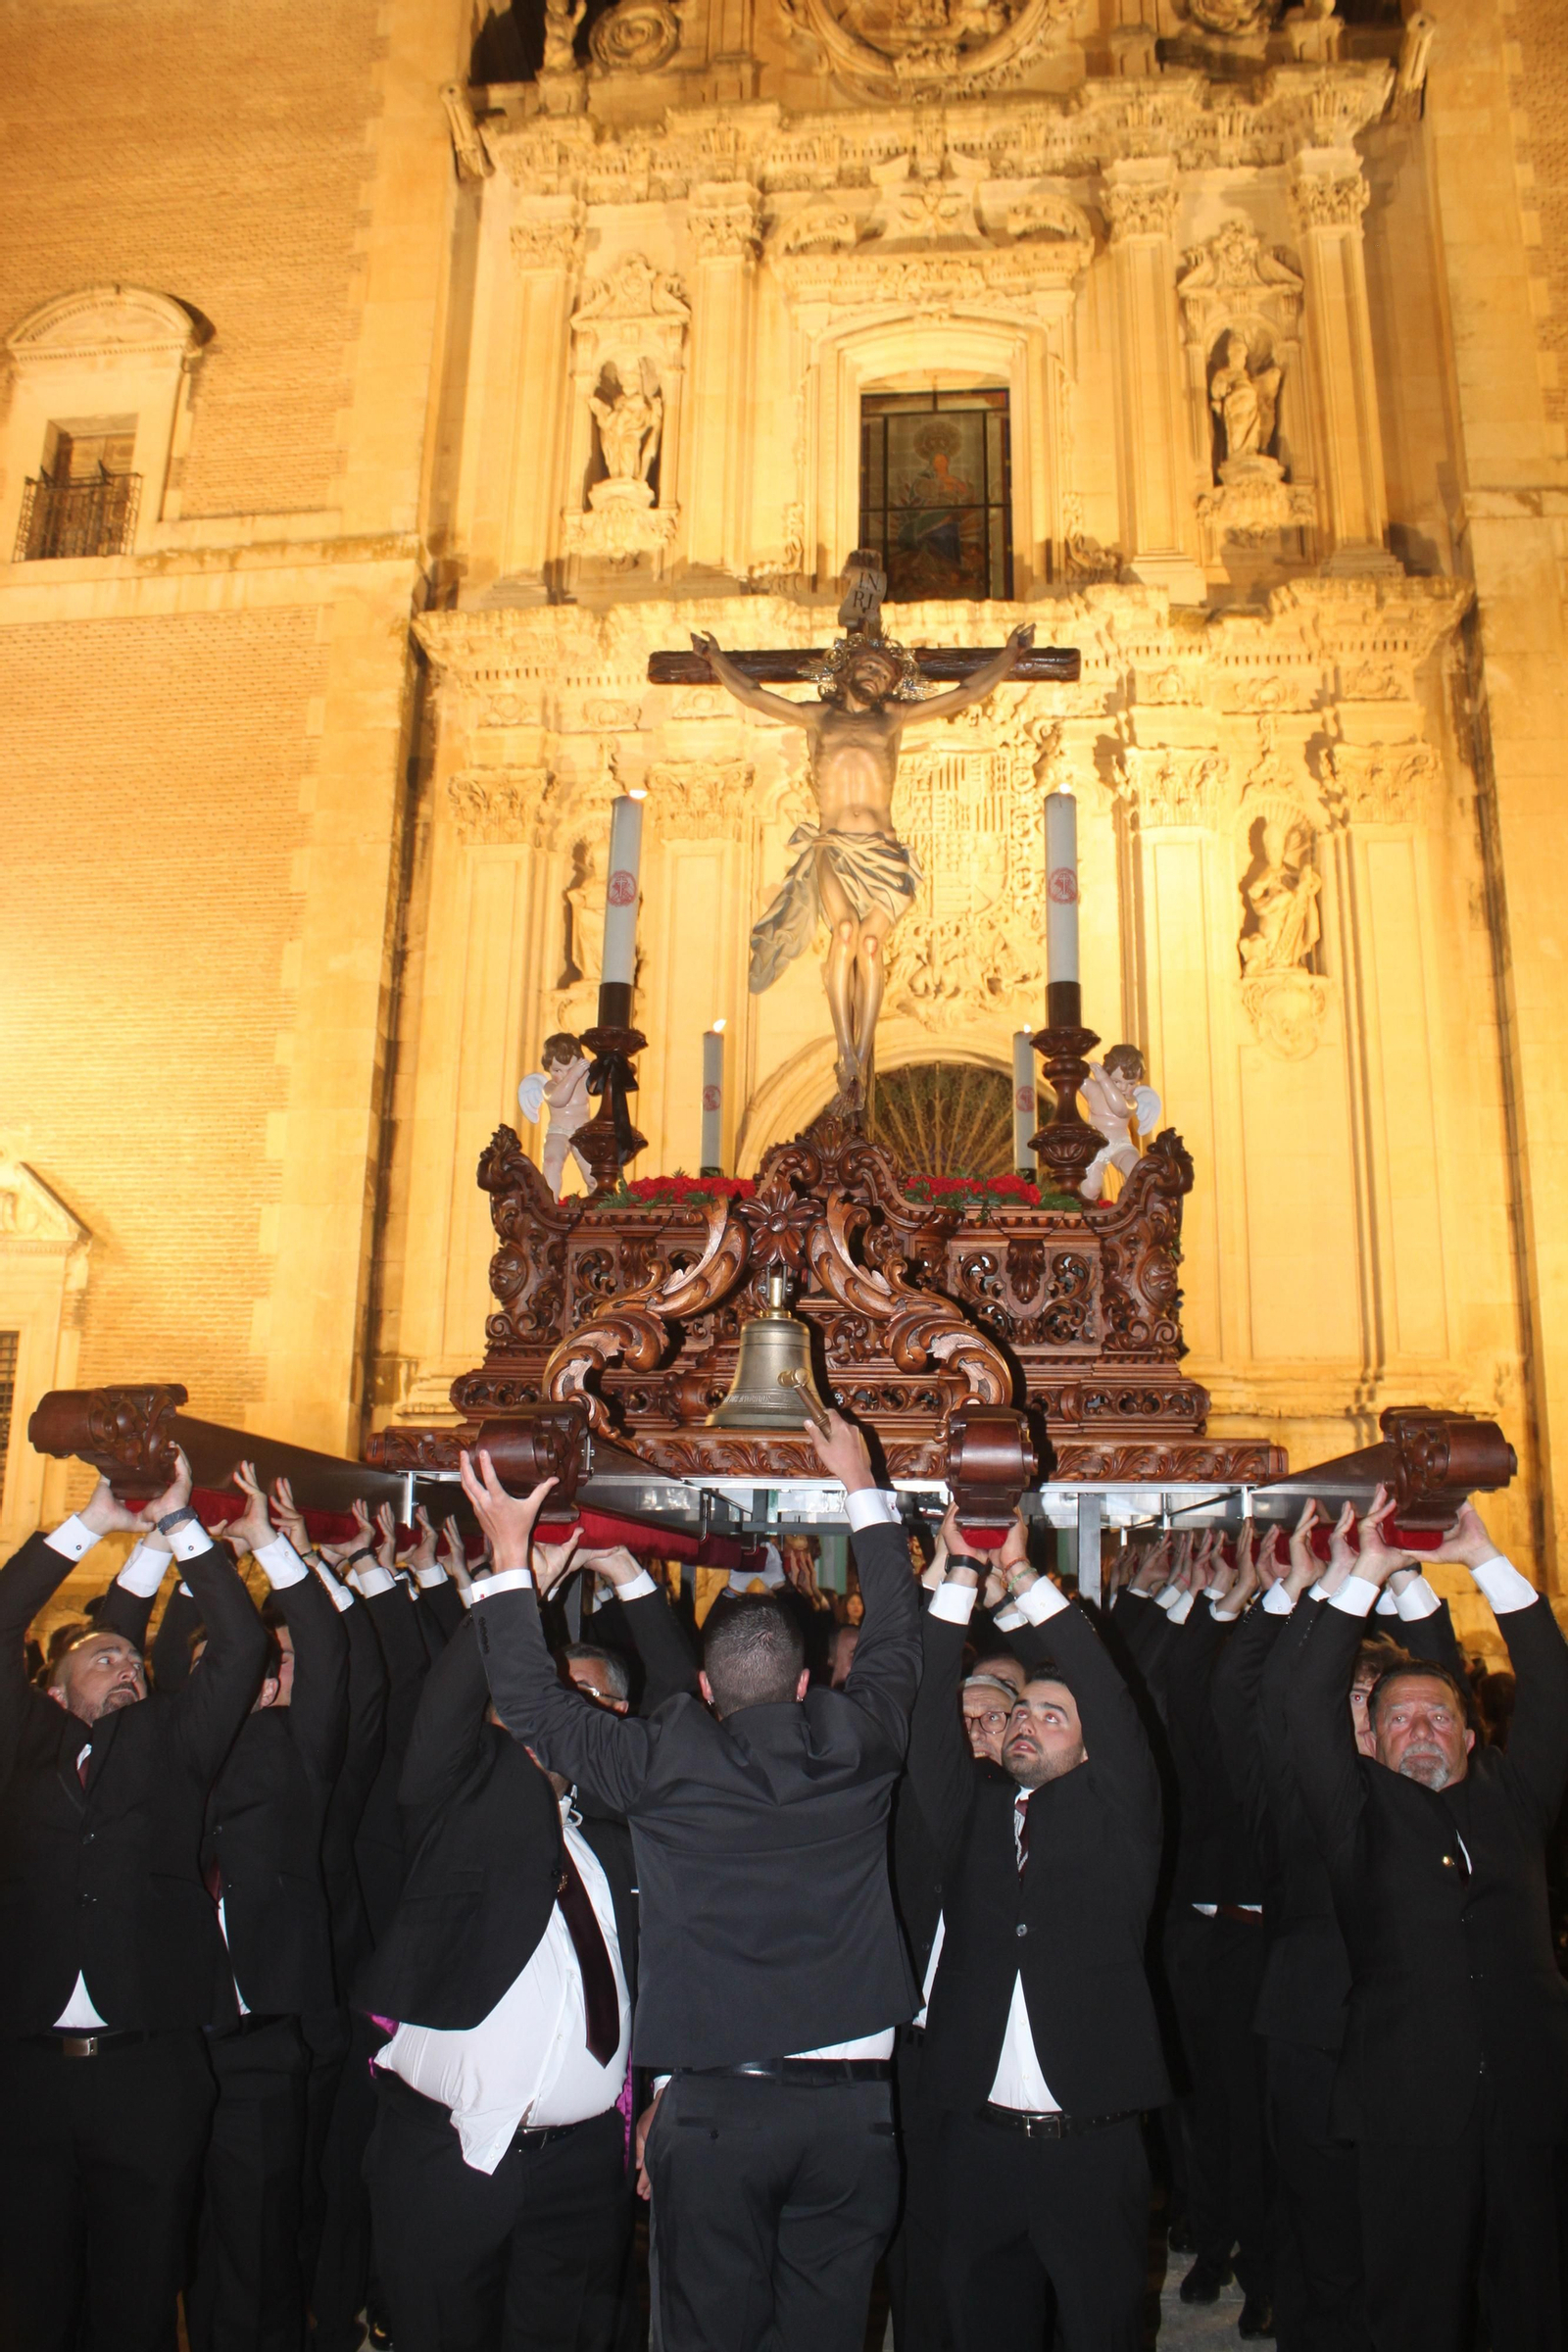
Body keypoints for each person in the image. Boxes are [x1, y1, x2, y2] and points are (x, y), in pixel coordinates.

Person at [458, 1410, 920, 2352]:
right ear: (805, 1688)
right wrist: (861, 1486)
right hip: (855, 2116)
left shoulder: (667, 1763)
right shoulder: (859, 1740)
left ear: (706, 1694)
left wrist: (510, 1555)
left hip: (717, 2114)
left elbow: (530, 1703)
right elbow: (901, 1635)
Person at [357, 1548, 660, 2352]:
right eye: (533, 1695)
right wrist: (513, 1582)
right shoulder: (457, 1807)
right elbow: (445, 1713)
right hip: (447, 2158)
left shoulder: (621, 1848)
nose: (545, 1713)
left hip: (583, 2172)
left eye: (576, 1697)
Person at [1285, 1495, 1568, 2351]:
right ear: (1367, 1737)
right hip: (1409, 2109)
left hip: (1531, 2096)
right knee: (1417, 2307)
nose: (1419, 1729)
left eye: (1438, 1715)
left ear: (1470, 1736)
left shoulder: (1514, 1799)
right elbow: (1304, 1702)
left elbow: (1553, 1687)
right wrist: (1367, 1567)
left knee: (1537, 2297)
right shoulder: (1354, 1813)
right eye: (1397, 1716)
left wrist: (1485, 1559)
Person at [0, 1450, 268, 2352]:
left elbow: (240, 1648)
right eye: (102, 1655)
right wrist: (89, 1528)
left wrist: (186, 1530)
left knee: (140, 2300)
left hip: (148, 2071)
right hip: (26, 2071)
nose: (125, 1665)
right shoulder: (23, 1747)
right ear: (52, 1690)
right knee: (31, 2300)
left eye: (134, 1660)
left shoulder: (170, 1744)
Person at [906, 1516, 1169, 2350]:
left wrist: (1024, 1580)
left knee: (1103, 2329)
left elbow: (1111, 1697)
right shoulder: (974, 1813)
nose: (1024, 1721)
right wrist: (953, 1581)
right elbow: (923, 1724)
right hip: (979, 2143)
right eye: (1020, 1711)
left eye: (1053, 1715)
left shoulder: (1121, 1818)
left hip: (1090, 2149)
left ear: (1092, 1748)